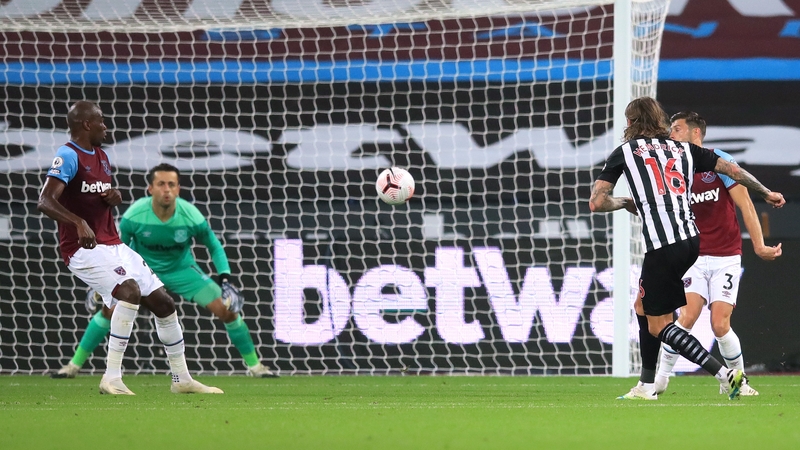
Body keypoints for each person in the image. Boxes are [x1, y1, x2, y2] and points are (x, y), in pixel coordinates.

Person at [588, 97, 785, 400]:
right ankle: (647, 384)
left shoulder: (624, 153)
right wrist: (766, 192)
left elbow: (598, 202)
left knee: (661, 325)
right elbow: (733, 170)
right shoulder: (683, 149)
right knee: (643, 308)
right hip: (693, 241)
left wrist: (627, 202)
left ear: (630, 123)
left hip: (663, 244)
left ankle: (725, 375)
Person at [38, 101, 222, 395]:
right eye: (101, 120)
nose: (106, 126)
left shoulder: (102, 156)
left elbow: (92, 197)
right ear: (86, 124)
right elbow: (45, 200)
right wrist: (78, 223)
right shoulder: (68, 155)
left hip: (113, 244)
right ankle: (111, 377)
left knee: (164, 303)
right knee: (129, 291)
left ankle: (181, 379)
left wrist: (112, 197)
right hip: (82, 248)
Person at [52, 163, 278, 379]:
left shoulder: (191, 216)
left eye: (171, 184)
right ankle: (73, 365)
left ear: (178, 189)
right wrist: (106, 281)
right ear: (150, 188)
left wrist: (226, 280)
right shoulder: (135, 215)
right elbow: (117, 247)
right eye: (161, 184)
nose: (166, 189)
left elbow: (214, 246)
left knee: (227, 310)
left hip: (182, 271)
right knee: (108, 311)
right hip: (142, 271)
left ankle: (256, 367)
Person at [653, 112, 782, 396]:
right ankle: (659, 381)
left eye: (677, 129)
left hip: (726, 255)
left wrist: (759, 245)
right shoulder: (673, 167)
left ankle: (739, 382)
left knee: (719, 324)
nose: (671, 135)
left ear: (695, 133)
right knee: (685, 318)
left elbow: (745, 205)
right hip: (692, 256)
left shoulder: (718, 161)